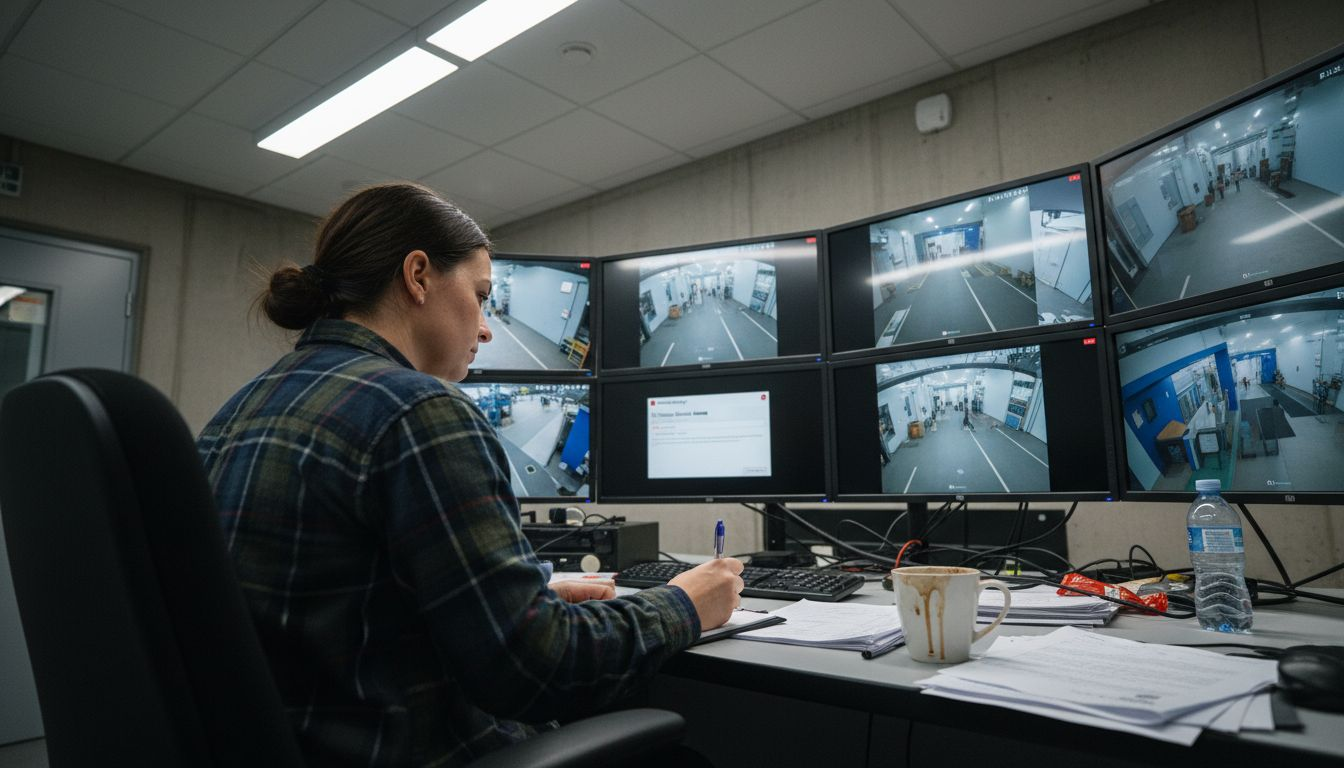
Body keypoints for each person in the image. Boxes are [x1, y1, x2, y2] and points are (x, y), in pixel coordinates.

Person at [197, 183, 743, 767]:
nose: (485, 328)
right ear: (418, 276)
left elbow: (339, 607)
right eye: (481, 296)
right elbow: (535, 669)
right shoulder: (419, 410)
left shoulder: (238, 408)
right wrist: (683, 604)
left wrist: (512, 602)